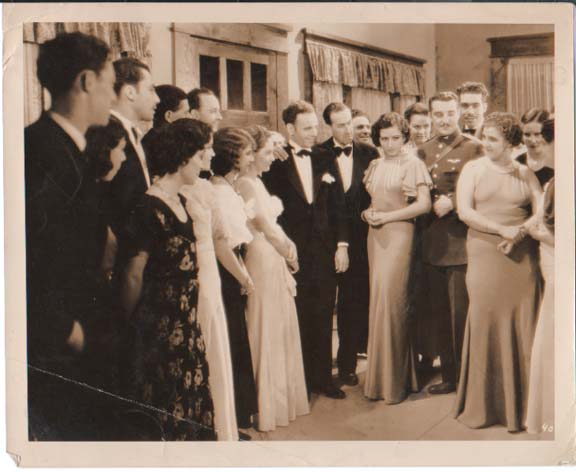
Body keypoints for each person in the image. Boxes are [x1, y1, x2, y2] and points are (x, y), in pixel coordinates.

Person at [24, 32, 116, 440]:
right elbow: (26, 254)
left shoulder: (71, 148)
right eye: (111, 84)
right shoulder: (39, 150)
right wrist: (64, 329)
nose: (113, 96)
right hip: (58, 342)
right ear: (86, 81)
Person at [121, 119, 217, 441]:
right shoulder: (149, 207)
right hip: (158, 330)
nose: (206, 160)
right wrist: (127, 325)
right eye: (201, 154)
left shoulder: (184, 202)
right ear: (183, 157)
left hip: (187, 326)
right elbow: (133, 274)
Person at [454, 112, 542, 432]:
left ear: (511, 143)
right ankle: (484, 406)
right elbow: (465, 212)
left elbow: (541, 211)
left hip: (521, 257)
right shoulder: (473, 169)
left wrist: (518, 234)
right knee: (485, 319)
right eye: (484, 137)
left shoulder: (525, 173)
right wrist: (501, 230)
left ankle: (524, 409)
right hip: (484, 253)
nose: (486, 144)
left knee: (523, 322)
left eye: (493, 139)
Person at [263, 100, 349, 400]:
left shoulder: (325, 156)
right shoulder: (275, 160)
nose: (314, 133)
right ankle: (299, 381)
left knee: (324, 314)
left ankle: (324, 379)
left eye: (315, 127)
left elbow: (338, 204)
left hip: (325, 251)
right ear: (290, 129)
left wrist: (342, 245)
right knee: (296, 315)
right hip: (292, 251)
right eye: (307, 128)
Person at [236, 125, 309, 431]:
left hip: (271, 253)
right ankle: (264, 406)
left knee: (278, 322)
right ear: (250, 154)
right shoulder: (245, 183)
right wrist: (290, 252)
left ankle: (279, 401)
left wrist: (286, 249)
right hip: (262, 256)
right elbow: (265, 226)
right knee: (266, 322)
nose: (272, 158)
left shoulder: (256, 181)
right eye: (266, 152)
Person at [416, 91, 484, 395]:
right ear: (431, 116)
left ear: (458, 113)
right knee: (439, 314)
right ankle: (450, 376)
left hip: (461, 243)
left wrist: (454, 202)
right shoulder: (422, 150)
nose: (444, 120)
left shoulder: (474, 148)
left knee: (461, 315)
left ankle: (468, 377)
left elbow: (486, 187)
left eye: (449, 113)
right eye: (438, 114)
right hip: (431, 244)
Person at [361, 113, 431, 403]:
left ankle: (395, 383)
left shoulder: (413, 164)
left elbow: (424, 205)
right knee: (379, 302)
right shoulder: (375, 165)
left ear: (405, 138)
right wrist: (366, 214)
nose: (389, 144)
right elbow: (371, 202)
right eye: (384, 138)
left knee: (393, 303)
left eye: (395, 138)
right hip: (375, 237)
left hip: (401, 235)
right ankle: (380, 379)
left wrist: (388, 217)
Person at [315, 103, 379, 387]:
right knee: (323, 304)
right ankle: (319, 369)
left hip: (362, 240)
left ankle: (347, 365)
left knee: (353, 304)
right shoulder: (317, 153)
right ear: (329, 126)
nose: (347, 130)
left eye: (349, 123)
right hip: (326, 242)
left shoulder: (370, 153)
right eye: (340, 125)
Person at [211, 127, 259, 433]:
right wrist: (243, 276)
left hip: (234, 265)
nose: (252, 158)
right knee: (233, 339)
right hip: (226, 273)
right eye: (248, 153)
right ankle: (235, 417)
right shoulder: (218, 191)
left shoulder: (228, 188)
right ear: (232, 157)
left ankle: (240, 414)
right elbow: (223, 244)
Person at [525, 118, 555, 435]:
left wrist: (537, 233)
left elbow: (557, 236)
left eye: (542, 140)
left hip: (557, 264)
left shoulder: (557, 183)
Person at [109, 57, 159, 240]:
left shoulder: (130, 132)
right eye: (151, 90)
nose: (157, 99)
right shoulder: (108, 133)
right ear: (130, 92)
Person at [142, 84, 190, 157]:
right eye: (185, 113)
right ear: (168, 116)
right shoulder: (167, 147)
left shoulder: (148, 140)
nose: (190, 117)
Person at [517, 108, 554, 187]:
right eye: (527, 134)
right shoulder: (516, 163)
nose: (532, 140)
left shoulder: (557, 162)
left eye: (537, 134)